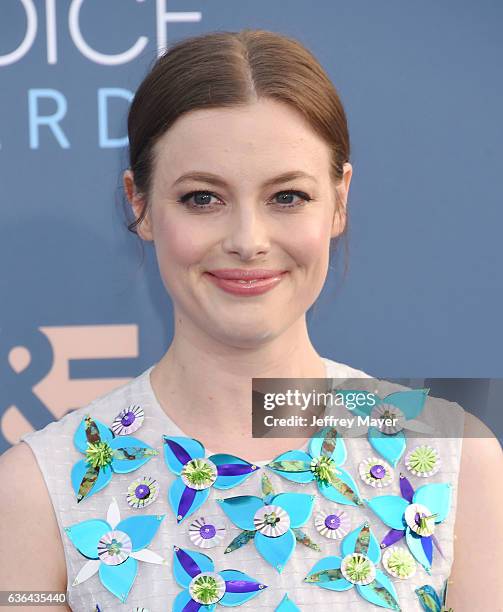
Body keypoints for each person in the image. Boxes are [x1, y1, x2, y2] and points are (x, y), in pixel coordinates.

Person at [1, 29, 502, 612]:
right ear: (139, 204)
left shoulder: (455, 454)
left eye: (287, 196)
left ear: (340, 200)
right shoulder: (39, 488)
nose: (247, 241)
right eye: (202, 199)